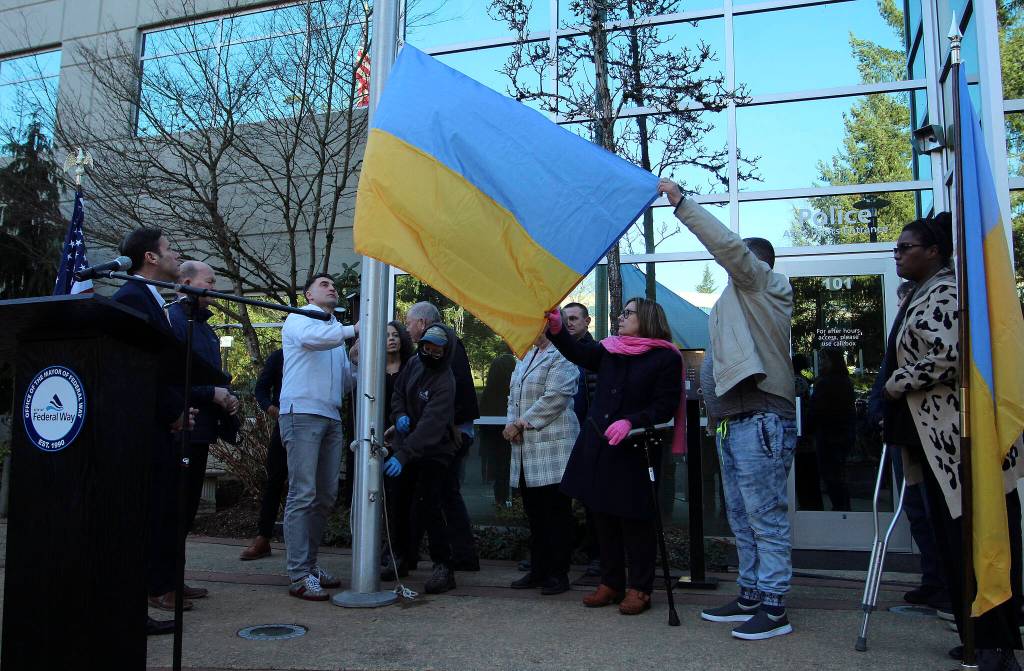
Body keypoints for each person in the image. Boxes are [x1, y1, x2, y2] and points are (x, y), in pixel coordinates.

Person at [659, 178, 797, 640]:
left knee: (765, 516)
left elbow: (731, 250)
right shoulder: (736, 301)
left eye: (738, 262)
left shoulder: (766, 284)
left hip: (761, 418)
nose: (730, 268)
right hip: (733, 423)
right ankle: (752, 594)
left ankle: (774, 607)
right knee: (742, 516)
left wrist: (681, 203)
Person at [884, 214, 1024, 669]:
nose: (898, 255)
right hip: (935, 441)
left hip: (959, 442)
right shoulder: (921, 294)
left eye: (906, 247)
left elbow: (947, 355)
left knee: (973, 539)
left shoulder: (947, 291)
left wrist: (894, 382)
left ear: (934, 252)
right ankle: (976, 636)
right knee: (950, 539)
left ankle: (994, 640)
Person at [547, 297, 683, 616]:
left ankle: (640, 588)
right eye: (621, 313)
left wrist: (632, 421)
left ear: (647, 318)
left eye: (628, 314)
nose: (620, 318)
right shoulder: (611, 348)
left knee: (635, 521)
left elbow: (665, 405)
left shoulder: (665, 356)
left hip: (636, 448)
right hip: (600, 444)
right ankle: (611, 583)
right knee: (602, 516)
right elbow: (579, 352)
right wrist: (557, 331)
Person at [113, 227, 188, 634]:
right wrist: (170, 410)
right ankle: (129, 610)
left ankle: (140, 602)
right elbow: (137, 369)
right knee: (140, 519)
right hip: (141, 428)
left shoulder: (154, 299)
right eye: (169, 249)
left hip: (157, 426)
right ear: (151, 258)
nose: (175, 255)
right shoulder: (130, 297)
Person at [865, 281, 949, 611]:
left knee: (934, 510)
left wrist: (893, 390)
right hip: (903, 435)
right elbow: (882, 383)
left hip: (929, 433)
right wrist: (880, 413)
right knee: (916, 509)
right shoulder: (898, 343)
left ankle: (945, 585)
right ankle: (933, 580)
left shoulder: (935, 324)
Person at [280, 272, 358, 601]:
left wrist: (358, 364)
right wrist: (355, 331)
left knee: (324, 496)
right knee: (303, 494)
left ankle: (310, 565)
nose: (332, 288)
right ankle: (299, 574)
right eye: (324, 285)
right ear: (309, 295)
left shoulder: (331, 334)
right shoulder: (300, 317)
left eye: (333, 285)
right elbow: (313, 341)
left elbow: (344, 383)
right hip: (302, 414)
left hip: (329, 416)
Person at [167, 261, 240, 598]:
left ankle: (173, 580)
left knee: (186, 508)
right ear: (186, 282)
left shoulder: (205, 328)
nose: (214, 289)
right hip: (181, 427)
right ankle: (161, 583)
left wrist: (226, 397)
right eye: (209, 282)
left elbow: (209, 376)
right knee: (174, 507)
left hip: (202, 429)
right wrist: (213, 393)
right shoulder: (175, 322)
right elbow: (171, 379)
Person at [384, 324, 462, 594]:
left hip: (435, 451)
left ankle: (444, 566)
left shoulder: (445, 381)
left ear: (446, 350)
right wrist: (400, 415)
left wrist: (404, 454)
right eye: (426, 346)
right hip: (408, 444)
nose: (429, 352)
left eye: (436, 349)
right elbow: (398, 394)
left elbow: (432, 425)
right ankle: (402, 556)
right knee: (399, 503)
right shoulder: (414, 364)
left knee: (430, 505)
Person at [404, 302, 480, 570]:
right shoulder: (441, 346)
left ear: (423, 323)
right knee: (441, 494)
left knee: (442, 494)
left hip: (450, 434)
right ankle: (455, 555)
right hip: (446, 432)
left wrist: (451, 428)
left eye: (409, 322)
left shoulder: (445, 346)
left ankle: (458, 556)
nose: (407, 328)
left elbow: (453, 392)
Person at [503, 331, 580, 596]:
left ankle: (558, 574)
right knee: (535, 514)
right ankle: (538, 570)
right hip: (526, 450)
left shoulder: (562, 354)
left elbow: (557, 396)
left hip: (553, 448)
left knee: (556, 514)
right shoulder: (525, 355)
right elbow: (513, 395)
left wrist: (520, 422)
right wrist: (510, 422)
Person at [562, 302, 601, 576]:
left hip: (587, 436)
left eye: (574, 318)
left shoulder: (595, 353)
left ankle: (597, 556)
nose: (569, 323)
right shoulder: (554, 351)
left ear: (588, 321)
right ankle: (561, 551)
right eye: (565, 319)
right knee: (558, 500)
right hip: (560, 437)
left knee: (593, 502)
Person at [240, 348, 285, 561]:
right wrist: (270, 408)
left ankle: (303, 546)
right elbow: (261, 389)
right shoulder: (279, 356)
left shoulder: (319, 351)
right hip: (284, 423)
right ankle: (263, 537)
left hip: (312, 422)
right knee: (274, 479)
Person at [810, 348, 854, 512]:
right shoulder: (845, 381)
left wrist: (807, 428)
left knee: (832, 475)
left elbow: (817, 410)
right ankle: (843, 507)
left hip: (829, 435)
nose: (821, 363)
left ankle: (840, 507)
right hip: (841, 434)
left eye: (824, 359)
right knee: (838, 475)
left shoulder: (826, 382)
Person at [792, 354, 823, 511]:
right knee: (807, 473)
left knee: (804, 473)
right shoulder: (802, 381)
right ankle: (810, 503)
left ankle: (808, 504)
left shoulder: (797, 381)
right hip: (805, 435)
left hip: (802, 436)